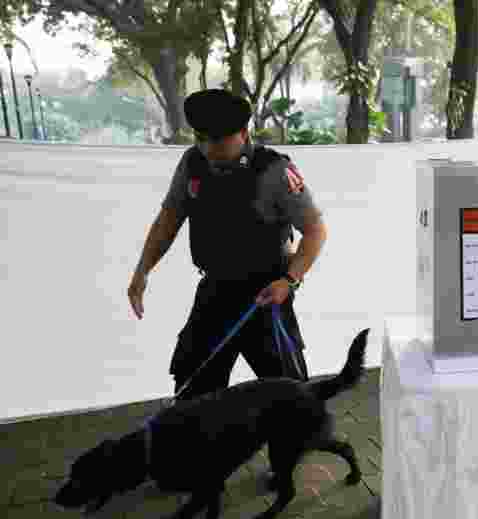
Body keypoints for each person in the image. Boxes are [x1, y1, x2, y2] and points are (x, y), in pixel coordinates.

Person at [126, 88, 328, 404]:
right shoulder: (193, 162)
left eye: (217, 140)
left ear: (243, 133)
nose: (208, 148)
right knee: (191, 393)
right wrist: (142, 271)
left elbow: (315, 231)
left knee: (292, 400)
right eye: (201, 138)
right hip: (216, 290)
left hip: (267, 296)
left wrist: (289, 281)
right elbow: (168, 219)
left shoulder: (275, 170)